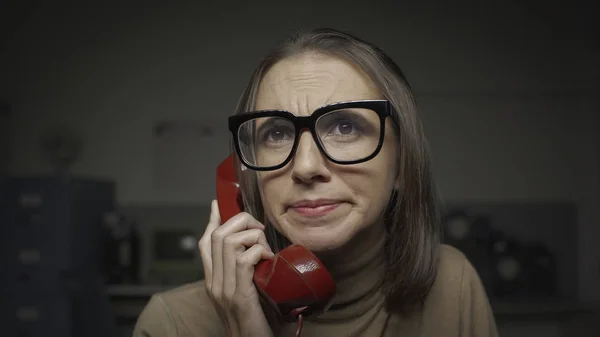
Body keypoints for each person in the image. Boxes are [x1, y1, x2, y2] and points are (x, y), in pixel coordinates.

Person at [133, 27, 499, 337]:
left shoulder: (452, 285)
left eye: (345, 127)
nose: (306, 167)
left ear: (402, 165)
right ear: (249, 174)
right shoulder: (171, 325)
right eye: (276, 133)